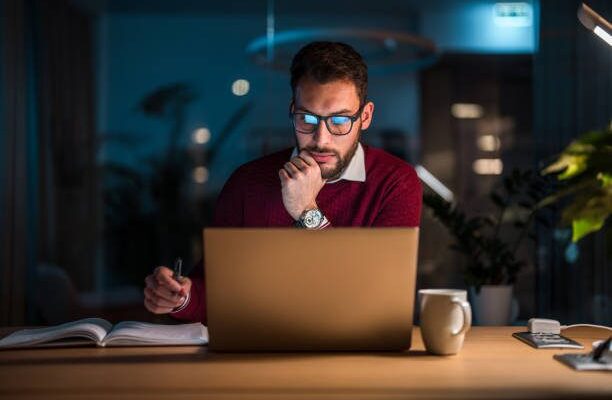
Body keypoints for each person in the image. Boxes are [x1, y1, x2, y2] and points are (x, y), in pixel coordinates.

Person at [143, 41, 422, 323]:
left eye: (339, 121)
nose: (321, 139)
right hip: (260, 356)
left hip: (358, 359)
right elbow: (216, 290)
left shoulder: (395, 182)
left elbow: (377, 298)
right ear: (292, 110)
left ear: (365, 117)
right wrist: (180, 296)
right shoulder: (247, 183)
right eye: (307, 119)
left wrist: (306, 211)